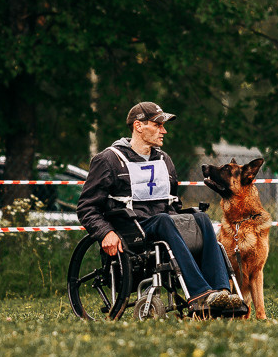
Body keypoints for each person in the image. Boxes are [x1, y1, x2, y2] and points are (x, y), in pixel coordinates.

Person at [77, 101, 242, 314]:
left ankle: (222, 293)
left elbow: (173, 201)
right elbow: (86, 207)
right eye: (157, 125)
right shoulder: (109, 160)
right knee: (164, 220)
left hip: (164, 224)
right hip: (131, 227)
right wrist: (105, 232)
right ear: (138, 126)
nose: (163, 131)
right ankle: (200, 295)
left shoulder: (164, 159)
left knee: (200, 217)